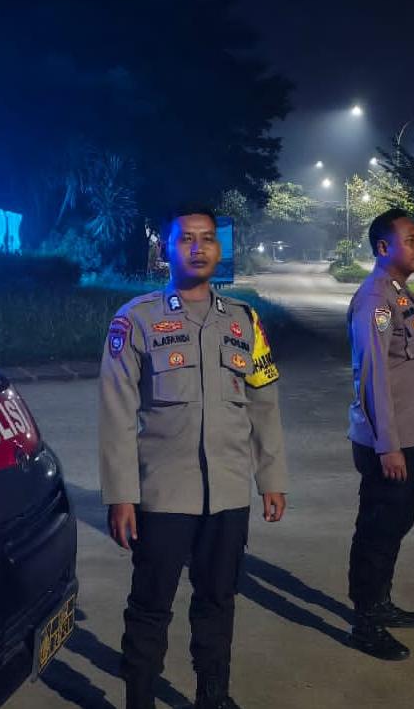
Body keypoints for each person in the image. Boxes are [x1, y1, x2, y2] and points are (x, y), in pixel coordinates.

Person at [99, 207, 287, 709]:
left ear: (219, 249)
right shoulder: (136, 320)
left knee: (219, 600)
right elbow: (117, 415)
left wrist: (271, 477)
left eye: (207, 238)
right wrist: (121, 495)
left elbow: (264, 402)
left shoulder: (244, 320)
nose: (198, 248)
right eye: (186, 239)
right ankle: (139, 698)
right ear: (166, 249)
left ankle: (213, 695)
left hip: (228, 492)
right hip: (164, 494)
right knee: (150, 605)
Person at [345, 208, 414, 661]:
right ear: (383, 248)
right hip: (389, 443)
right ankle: (365, 624)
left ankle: (379, 601)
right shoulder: (375, 299)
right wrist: (388, 445)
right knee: (377, 530)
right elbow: (373, 377)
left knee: (397, 524)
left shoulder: (399, 293)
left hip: (410, 437)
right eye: (411, 239)